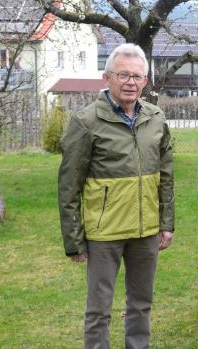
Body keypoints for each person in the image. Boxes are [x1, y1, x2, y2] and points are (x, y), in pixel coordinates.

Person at [58, 43, 174, 349]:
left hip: (145, 230)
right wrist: (73, 239)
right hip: (103, 233)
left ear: (145, 81)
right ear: (106, 77)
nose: (130, 82)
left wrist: (166, 223)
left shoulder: (156, 118)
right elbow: (69, 184)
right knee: (99, 310)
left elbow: (166, 175)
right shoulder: (86, 122)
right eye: (123, 75)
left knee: (141, 303)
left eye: (137, 76)